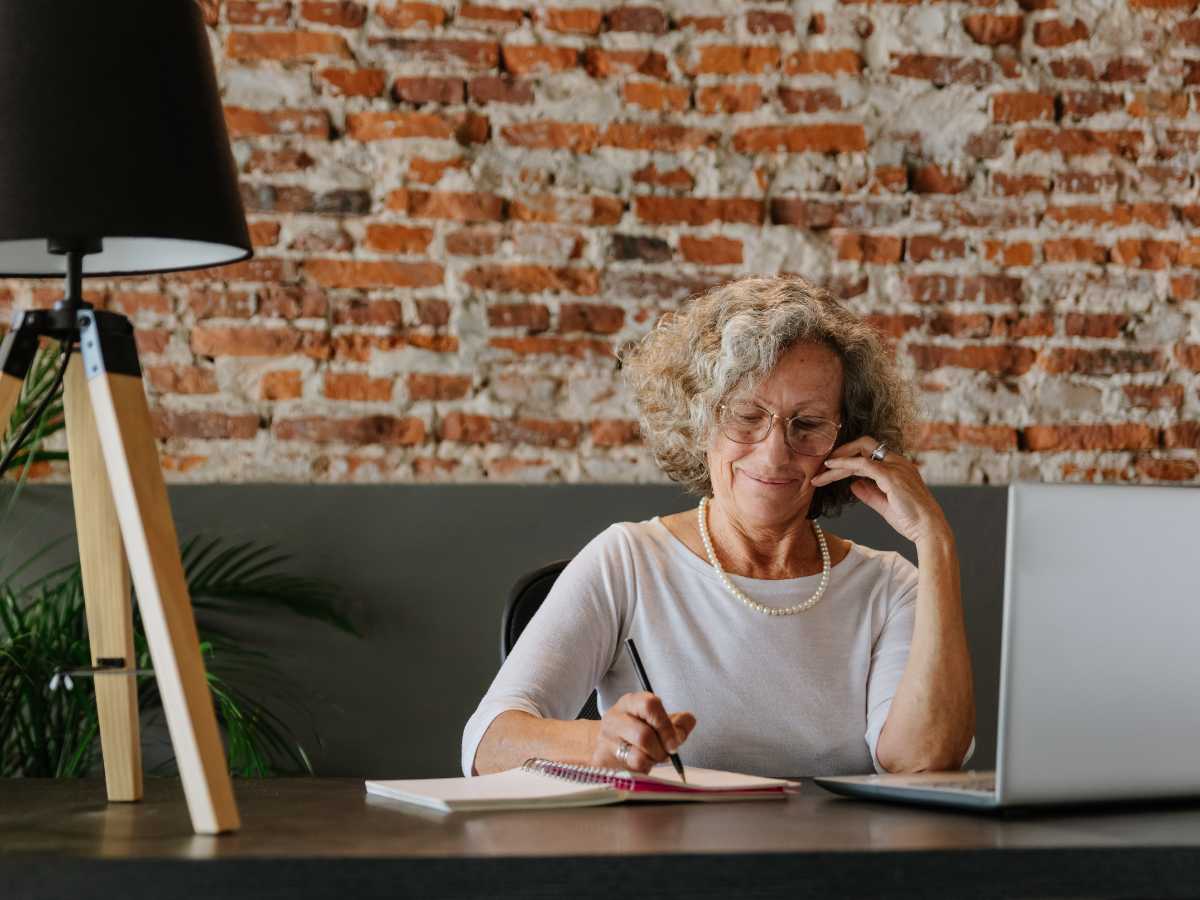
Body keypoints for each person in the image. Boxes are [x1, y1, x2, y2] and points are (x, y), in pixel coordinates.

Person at [463, 275, 975, 778]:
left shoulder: (890, 588)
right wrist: (600, 740)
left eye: (809, 423)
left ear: (847, 442)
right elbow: (487, 743)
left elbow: (922, 759)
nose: (775, 453)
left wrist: (936, 541)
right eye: (747, 416)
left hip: (838, 863)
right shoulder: (627, 561)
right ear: (700, 420)